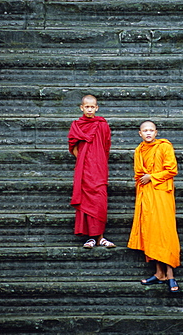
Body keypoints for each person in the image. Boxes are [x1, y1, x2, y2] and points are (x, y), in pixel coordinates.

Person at [127, 120, 180, 293]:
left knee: (165, 232)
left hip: (162, 194)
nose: (148, 133)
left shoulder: (164, 147)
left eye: (151, 130)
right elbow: (138, 175)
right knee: (151, 232)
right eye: (145, 130)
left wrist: (152, 176)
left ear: (156, 132)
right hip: (146, 196)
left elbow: (171, 169)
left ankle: (170, 274)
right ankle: (159, 273)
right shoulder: (138, 151)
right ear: (139, 133)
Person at [67, 95, 116, 249]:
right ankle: (90, 238)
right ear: (81, 108)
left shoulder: (102, 124)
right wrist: (83, 159)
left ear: (97, 108)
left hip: (99, 167)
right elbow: (73, 146)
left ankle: (100, 237)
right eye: (86, 107)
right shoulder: (77, 125)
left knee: (100, 201)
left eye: (92, 107)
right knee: (86, 201)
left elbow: (106, 145)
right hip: (84, 169)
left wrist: (98, 160)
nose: (89, 109)